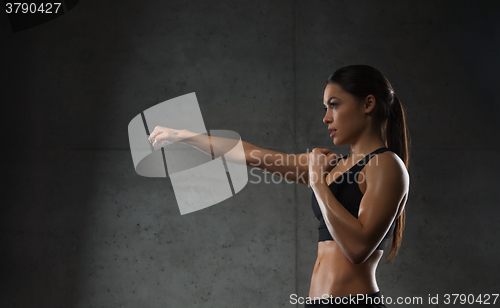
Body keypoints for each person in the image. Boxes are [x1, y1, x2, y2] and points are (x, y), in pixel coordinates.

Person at [148, 65, 410, 307]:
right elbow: (251, 155)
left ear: (368, 104)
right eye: (325, 108)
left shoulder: (386, 166)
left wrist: (317, 181)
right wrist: (185, 136)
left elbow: (357, 249)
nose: (326, 118)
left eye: (334, 105)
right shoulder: (331, 164)